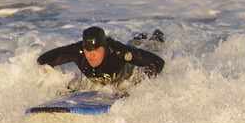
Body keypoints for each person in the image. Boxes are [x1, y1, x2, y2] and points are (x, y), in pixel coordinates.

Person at [37, 26, 165, 86]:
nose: (91, 55)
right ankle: (139, 38)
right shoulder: (78, 52)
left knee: (142, 48)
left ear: (104, 47)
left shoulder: (118, 52)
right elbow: (43, 61)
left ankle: (155, 38)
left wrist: (139, 85)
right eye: (88, 50)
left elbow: (158, 63)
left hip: (126, 71)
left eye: (96, 50)